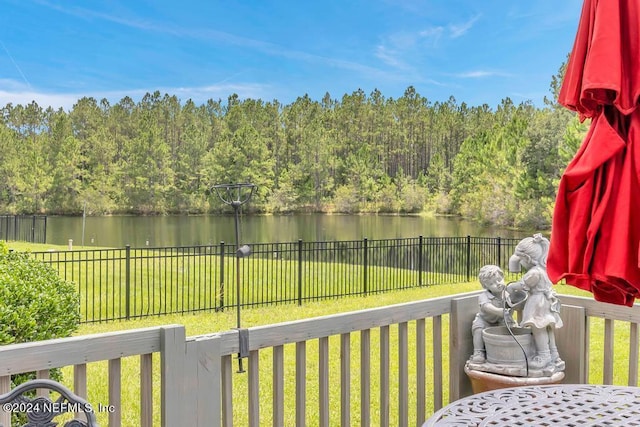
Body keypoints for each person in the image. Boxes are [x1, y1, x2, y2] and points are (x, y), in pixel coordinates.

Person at [507, 234, 563, 369]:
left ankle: (544, 355)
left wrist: (511, 287)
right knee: (547, 328)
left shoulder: (534, 273)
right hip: (547, 302)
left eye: (520, 259)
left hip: (538, 303)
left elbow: (523, 285)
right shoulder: (544, 269)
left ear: (527, 258)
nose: (519, 262)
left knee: (538, 329)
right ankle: (554, 354)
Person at [469, 264, 516, 363]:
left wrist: (510, 311)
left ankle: (507, 350)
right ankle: (478, 352)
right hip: (485, 320)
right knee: (478, 328)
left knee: (510, 327)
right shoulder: (484, 296)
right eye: (492, 283)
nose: (498, 283)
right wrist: (499, 311)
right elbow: (486, 306)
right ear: (486, 286)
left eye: (499, 279)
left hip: (500, 320)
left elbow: (512, 306)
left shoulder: (506, 294)